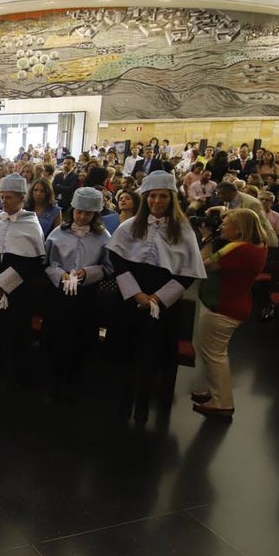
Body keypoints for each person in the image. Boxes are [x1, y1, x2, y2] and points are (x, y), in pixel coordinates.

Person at [107, 170, 206, 423]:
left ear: (172, 198)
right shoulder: (130, 226)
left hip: (161, 301)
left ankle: (143, 403)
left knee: (152, 353)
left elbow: (188, 273)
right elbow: (117, 260)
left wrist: (158, 298)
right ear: (145, 198)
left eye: (163, 196)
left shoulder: (183, 231)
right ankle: (122, 401)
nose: (157, 201)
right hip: (131, 296)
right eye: (152, 196)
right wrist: (136, 294)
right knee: (127, 350)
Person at [190, 208, 270, 419]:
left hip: (222, 307)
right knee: (216, 353)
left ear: (239, 230)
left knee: (214, 356)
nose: (221, 226)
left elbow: (202, 265)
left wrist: (207, 237)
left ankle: (222, 403)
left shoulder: (237, 250)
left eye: (226, 224)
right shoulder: (259, 246)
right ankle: (215, 392)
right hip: (236, 303)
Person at [0, 173, 45, 379]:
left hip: (16, 291)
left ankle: (10, 373)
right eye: (2, 197)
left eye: (9, 197)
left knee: (12, 333)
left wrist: (2, 283)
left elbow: (31, 262)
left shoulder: (31, 224)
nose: (4, 201)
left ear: (22, 198)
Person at [44, 187, 113, 400]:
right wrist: (60, 274)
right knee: (57, 335)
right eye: (79, 212)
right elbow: (46, 262)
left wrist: (87, 273)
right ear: (72, 210)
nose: (82, 217)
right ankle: (54, 379)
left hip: (86, 296)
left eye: (88, 214)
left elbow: (108, 267)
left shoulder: (103, 237)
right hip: (60, 294)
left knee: (81, 338)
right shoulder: (58, 233)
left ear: (95, 215)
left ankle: (75, 381)